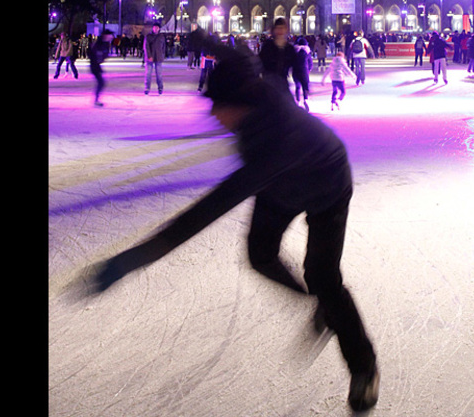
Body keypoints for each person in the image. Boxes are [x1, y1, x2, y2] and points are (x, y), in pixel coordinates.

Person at [89, 43, 380, 411]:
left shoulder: (276, 140)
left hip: (327, 184)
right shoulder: (256, 98)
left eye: (218, 107)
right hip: (282, 186)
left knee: (323, 276)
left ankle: (364, 366)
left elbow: (209, 209)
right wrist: (200, 35)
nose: (213, 116)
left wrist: (134, 259)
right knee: (260, 254)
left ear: (240, 103)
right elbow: (241, 57)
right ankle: (321, 304)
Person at [259, 18, 311, 107]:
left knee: (288, 110)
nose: (280, 30)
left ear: (286, 30)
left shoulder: (289, 49)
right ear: (274, 30)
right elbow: (259, 63)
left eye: (282, 28)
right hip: (268, 84)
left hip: (282, 84)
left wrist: (305, 84)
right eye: (278, 28)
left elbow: (299, 67)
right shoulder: (268, 46)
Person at [90, 30, 112, 106]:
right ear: (106, 35)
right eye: (110, 36)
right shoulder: (99, 43)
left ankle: (96, 99)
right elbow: (92, 53)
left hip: (97, 65)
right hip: (94, 65)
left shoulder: (104, 43)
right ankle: (96, 99)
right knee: (101, 82)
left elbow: (103, 55)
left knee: (101, 82)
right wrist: (99, 57)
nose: (111, 37)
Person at [143, 21, 165, 95]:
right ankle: (147, 88)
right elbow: (146, 47)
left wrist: (162, 55)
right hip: (150, 58)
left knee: (159, 74)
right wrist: (149, 56)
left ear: (159, 29)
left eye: (157, 28)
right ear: (152, 28)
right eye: (154, 27)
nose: (156, 29)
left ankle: (160, 88)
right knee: (148, 74)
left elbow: (163, 47)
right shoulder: (148, 36)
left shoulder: (161, 36)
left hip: (158, 57)